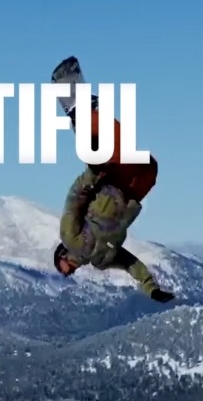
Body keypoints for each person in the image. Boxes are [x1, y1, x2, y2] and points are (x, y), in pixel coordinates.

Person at [51, 96, 174, 303]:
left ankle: (82, 115)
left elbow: (75, 199)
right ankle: (90, 131)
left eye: (60, 269)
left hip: (111, 185)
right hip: (131, 196)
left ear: (61, 256)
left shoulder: (69, 237)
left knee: (118, 141)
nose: (64, 274)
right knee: (150, 166)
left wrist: (92, 175)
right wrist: (152, 289)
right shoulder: (101, 260)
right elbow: (130, 263)